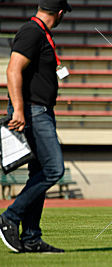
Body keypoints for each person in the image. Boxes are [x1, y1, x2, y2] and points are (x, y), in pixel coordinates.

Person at [0, 0, 71, 253]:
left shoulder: (39, 32)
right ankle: (10, 215)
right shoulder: (32, 31)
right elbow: (12, 70)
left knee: (39, 172)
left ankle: (31, 237)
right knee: (54, 170)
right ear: (60, 13)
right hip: (32, 111)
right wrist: (18, 109)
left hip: (40, 110)